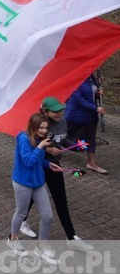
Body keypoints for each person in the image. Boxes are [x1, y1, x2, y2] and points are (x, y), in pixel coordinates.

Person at [20, 97, 94, 252]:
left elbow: (64, 140)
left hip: (55, 165)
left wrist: (75, 145)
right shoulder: (38, 124)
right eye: (55, 111)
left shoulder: (62, 122)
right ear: (45, 111)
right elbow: (29, 142)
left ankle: (71, 236)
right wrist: (47, 149)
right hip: (38, 165)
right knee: (33, 197)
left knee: (61, 200)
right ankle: (21, 221)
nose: (58, 113)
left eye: (60, 110)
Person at [5, 113, 60, 265]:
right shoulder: (23, 138)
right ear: (33, 127)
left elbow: (38, 160)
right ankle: (13, 239)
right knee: (21, 212)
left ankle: (42, 247)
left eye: (45, 128)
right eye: (40, 128)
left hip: (38, 182)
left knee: (47, 216)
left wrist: (48, 165)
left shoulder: (41, 139)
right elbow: (28, 161)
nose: (43, 131)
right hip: (22, 182)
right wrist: (41, 147)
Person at [66, 74, 107, 174]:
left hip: (91, 116)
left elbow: (92, 95)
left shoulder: (91, 78)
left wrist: (98, 94)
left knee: (91, 139)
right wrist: (95, 108)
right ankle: (50, 148)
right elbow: (78, 100)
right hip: (76, 116)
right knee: (65, 137)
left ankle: (91, 163)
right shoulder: (75, 78)